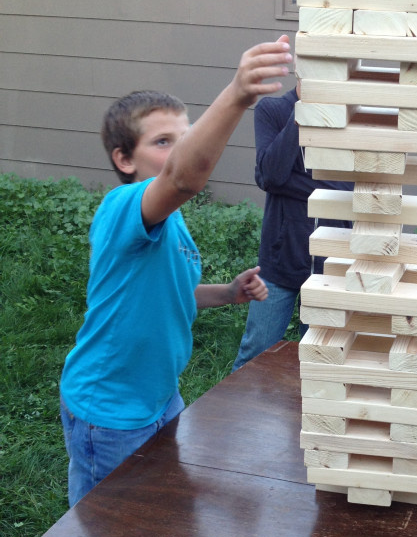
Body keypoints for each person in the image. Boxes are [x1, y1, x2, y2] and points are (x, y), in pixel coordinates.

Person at [60, 36, 293, 507]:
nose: (180, 150)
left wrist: (228, 294)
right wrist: (238, 94)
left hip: (159, 396)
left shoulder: (168, 221)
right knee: (111, 525)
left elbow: (173, 293)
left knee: (161, 502)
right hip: (109, 409)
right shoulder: (124, 207)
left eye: (184, 138)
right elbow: (183, 177)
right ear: (124, 160)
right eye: (163, 142)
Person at [232, 80, 352, 370]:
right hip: (279, 260)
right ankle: (239, 413)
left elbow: (351, 187)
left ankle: (301, 415)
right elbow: (270, 175)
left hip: (332, 264)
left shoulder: (348, 117)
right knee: (255, 355)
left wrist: (290, 182)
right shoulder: (272, 110)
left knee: (317, 360)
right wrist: (302, 113)